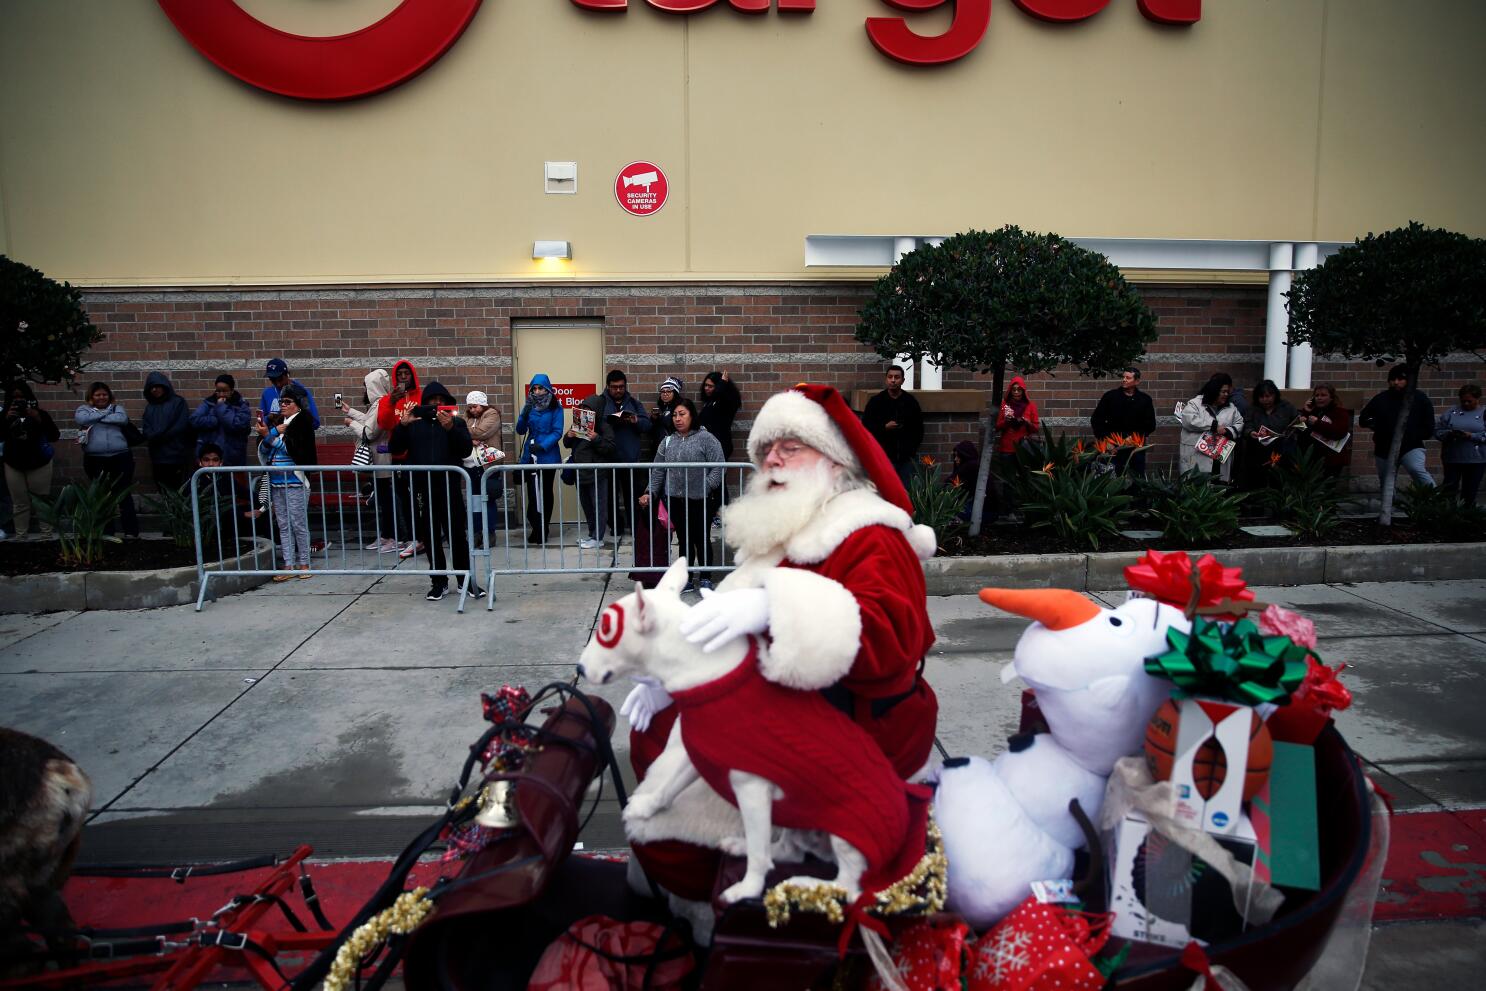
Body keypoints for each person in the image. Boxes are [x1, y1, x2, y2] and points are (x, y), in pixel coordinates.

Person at [620, 382, 939, 908]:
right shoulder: (790, 527)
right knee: (656, 727)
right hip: (786, 707)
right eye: (766, 450)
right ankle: (698, 913)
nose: (773, 459)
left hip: (856, 730)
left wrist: (780, 609)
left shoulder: (868, 533)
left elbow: (891, 639)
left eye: (791, 448)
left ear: (834, 463)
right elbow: (729, 623)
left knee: (677, 815)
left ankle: (720, 921)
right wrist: (673, 674)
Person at [389, 381, 485, 601]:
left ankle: (465, 580)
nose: (437, 406)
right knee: (430, 535)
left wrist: (450, 427)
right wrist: (402, 425)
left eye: (441, 402)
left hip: (449, 485)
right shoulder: (414, 423)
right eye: (432, 402)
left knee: (457, 536)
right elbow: (395, 449)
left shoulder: (457, 423)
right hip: (422, 488)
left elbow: (465, 449)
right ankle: (438, 582)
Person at [640, 398, 725, 590]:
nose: (678, 419)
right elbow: (658, 471)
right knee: (684, 539)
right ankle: (686, 577)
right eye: (675, 415)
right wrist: (650, 492)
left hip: (701, 499)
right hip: (675, 499)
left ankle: (705, 577)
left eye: (682, 414)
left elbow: (719, 466)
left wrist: (707, 486)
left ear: (692, 415)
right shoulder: (668, 441)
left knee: (701, 538)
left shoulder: (706, 439)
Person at [252, 386, 317, 580]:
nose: (283, 405)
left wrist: (269, 436)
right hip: (277, 481)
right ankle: (289, 565)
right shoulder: (279, 422)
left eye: (287, 402)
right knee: (283, 524)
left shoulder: (303, 421)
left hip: (294, 480)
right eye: (281, 402)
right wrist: (270, 434)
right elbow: (264, 447)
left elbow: (292, 449)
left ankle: (304, 563)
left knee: (298, 523)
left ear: (298, 404)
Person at [341, 369, 408, 554]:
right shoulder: (380, 403)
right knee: (383, 498)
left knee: (387, 501)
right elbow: (370, 421)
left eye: (366, 386)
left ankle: (393, 537)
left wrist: (350, 423)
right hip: (379, 459)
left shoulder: (381, 404)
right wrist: (351, 412)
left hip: (382, 458)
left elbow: (369, 433)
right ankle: (387, 535)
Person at [75, 381, 141, 538]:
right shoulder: (83, 409)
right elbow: (82, 419)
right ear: (91, 396)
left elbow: (121, 419)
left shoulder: (118, 408)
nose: (101, 397)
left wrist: (96, 417)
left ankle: (131, 531)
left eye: (104, 394)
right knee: (101, 495)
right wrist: (105, 414)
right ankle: (106, 531)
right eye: (97, 394)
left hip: (121, 457)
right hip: (95, 459)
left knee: (123, 493)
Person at [375, 360, 424, 558]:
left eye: (407, 373)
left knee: (419, 498)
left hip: (418, 453)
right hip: (398, 455)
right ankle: (413, 537)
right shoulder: (388, 399)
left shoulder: (420, 396)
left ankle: (422, 537)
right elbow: (384, 423)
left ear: (413, 375)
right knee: (404, 498)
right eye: (400, 374)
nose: (404, 377)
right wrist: (391, 401)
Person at [1359, 365, 1436, 489]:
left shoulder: (1420, 399)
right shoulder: (1381, 399)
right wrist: (1378, 426)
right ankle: (1388, 506)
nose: (1396, 382)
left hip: (1411, 446)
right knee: (1386, 481)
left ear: (1408, 381)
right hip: (1384, 447)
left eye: (1400, 379)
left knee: (1417, 470)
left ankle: (1437, 499)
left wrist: (1411, 434)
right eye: (1392, 379)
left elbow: (1428, 427)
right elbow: (1364, 419)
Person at [3, 382, 61, 540]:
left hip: (39, 461)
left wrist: (37, 417)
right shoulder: (6, 415)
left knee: (42, 500)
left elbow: (54, 436)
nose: (18, 400)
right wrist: (6, 419)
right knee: (19, 502)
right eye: (14, 398)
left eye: (22, 397)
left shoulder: (39, 413)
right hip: (13, 462)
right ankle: (21, 535)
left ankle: (46, 534)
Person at [600, 370, 651, 537]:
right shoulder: (600, 403)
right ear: (608, 387)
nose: (618, 390)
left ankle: (635, 526)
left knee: (632, 496)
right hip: (607, 458)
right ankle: (616, 526)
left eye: (621, 387)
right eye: (614, 387)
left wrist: (636, 421)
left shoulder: (634, 403)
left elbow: (647, 425)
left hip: (630, 458)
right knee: (610, 497)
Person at [515, 373, 565, 544]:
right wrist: (523, 414)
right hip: (530, 455)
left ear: (547, 389)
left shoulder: (555, 408)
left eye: (540, 388)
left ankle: (543, 528)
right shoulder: (529, 406)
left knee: (544, 493)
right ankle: (535, 525)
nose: (537, 391)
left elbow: (557, 432)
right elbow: (520, 430)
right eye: (534, 388)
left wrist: (543, 445)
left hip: (547, 455)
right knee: (532, 493)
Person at [566, 387, 618, 549]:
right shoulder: (578, 422)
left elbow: (610, 448)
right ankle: (591, 535)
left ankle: (598, 537)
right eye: (584, 408)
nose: (585, 411)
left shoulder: (604, 426)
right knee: (587, 505)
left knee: (599, 506)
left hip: (597, 473)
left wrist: (596, 439)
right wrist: (568, 435)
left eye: (589, 409)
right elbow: (567, 444)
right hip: (580, 471)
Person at [862, 365, 924, 489]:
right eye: (890, 377)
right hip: (883, 457)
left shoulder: (910, 402)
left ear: (902, 380)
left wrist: (911, 449)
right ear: (886, 379)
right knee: (885, 490)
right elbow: (866, 427)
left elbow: (918, 429)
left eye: (897, 377)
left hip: (906, 459)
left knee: (907, 491)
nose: (893, 380)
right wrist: (884, 427)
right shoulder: (876, 402)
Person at [1090, 367, 1157, 476]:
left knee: (1136, 476)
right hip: (1112, 446)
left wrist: (1135, 437)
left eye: (1128, 378)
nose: (1124, 380)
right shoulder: (1110, 397)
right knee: (1112, 476)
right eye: (1123, 377)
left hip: (1135, 446)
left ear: (1137, 381)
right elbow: (1097, 420)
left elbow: (1150, 425)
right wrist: (1105, 441)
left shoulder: (1145, 399)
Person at [1178, 373, 1244, 482]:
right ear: (1214, 391)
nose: (1226, 394)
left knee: (1218, 488)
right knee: (1196, 489)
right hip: (1196, 458)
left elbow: (1239, 423)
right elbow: (1188, 420)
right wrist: (1213, 426)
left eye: (1227, 392)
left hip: (1219, 459)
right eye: (1223, 392)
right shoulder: (1195, 404)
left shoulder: (1231, 407)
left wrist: (1228, 431)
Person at [991, 376, 1040, 518]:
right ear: (1010, 391)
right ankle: (1009, 511)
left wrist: (1027, 422)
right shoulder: (1004, 406)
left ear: (1024, 391)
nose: (1017, 392)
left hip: (1023, 448)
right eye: (1014, 389)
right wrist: (1006, 421)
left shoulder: (1031, 406)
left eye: (1019, 389)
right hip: (1007, 448)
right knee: (1009, 481)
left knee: (1026, 478)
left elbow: (1035, 428)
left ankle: (1027, 510)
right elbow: (997, 426)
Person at [1238, 380, 1299, 489]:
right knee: (1257, 483)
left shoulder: (1286, 407)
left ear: (1275, 395)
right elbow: (1246, 425)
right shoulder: (1252, 409)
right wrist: (1250, 432)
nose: (1265, 400)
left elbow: (1298, 423)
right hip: (1258, 453)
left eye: (1268, 396)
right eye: (1262, 397)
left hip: (1281, 453)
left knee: (1278, 483)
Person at [463, 390, 504, 543]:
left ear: (483, 405)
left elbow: (481, 432)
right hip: (470, 465)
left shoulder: (492, 414)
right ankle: (476, 532)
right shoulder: (466, 416)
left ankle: (489, 533)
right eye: (470, 407)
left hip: (487, 465)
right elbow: (462, 433)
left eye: (475, 406)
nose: (472, 410)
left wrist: (464, 433)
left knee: (487, 499)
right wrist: (469, 439)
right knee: (474, 501)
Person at [141, 371, 192, 490]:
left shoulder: (178, 402)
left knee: (178, 488)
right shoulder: (150, 407)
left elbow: (181, 425)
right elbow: (146, 428)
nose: (154, 390)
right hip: (157, 456)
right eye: (151, 388)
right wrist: (153, 436)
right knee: (162, 487)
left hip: (176, 455)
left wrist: (160, 435)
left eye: (157, 386)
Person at [1436, 383, 1485, 506]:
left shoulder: (1484, 413)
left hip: (1476, 459)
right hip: (1453, 458)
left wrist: (1472, 436)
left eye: (1469, 401)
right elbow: (1438, 431)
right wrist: (1449, 434)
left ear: (1477, 399)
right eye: (1463, 401)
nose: (1466, 404)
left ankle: (1467, 515)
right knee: (1449, 490)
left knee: (1470, 491)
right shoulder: (1452, 412)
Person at [189, 373, 252, 465]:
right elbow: (194, 420)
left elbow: (236, 425)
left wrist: (221, 408)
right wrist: (214, 420)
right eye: (218, 391)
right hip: (210, 456)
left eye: (225, 391)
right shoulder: (208, 403)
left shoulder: (242, 406)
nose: (221, 394)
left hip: (233, 456)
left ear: (232, 391)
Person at [1298, 384, 1353, 479]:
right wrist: (1306, 412)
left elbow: (1340, 432)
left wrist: (1318, 423)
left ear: (1331, 397)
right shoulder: (1313, 411)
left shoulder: (1340, 412)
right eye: (1317, 395)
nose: (1319, 398)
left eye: (1323, 395)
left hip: (1331, 460)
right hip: (1312, 459)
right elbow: (1303, 432)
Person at [260, 358, 321, 429]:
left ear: (287, 375)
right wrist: (270, 417)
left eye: (280, 379)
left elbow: (315, 422)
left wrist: (292, 419)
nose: (278, 384)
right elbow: (261, 423)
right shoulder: (267, 393)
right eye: (273, 380)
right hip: (272, 438)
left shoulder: (300, 392)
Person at [696, 371, 741, 460]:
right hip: (708, 444)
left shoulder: (726, 402)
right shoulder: (710, 403)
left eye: (710, 386)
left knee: (717, 473)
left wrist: (723, 383)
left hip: (720, 444)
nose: (706, 388)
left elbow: (721, 398)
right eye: (706, 385)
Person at [651, 377, 684, 443]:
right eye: (663, 391)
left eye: (669, 391)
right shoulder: (664, 408)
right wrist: (654, 418)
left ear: (675, 393)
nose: (665, 394)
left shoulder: (680, 407)